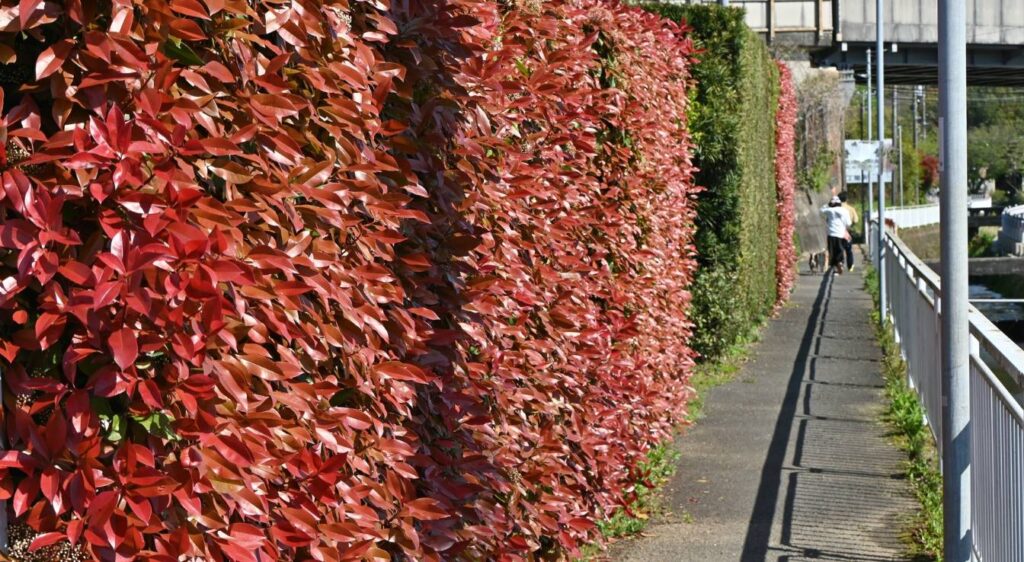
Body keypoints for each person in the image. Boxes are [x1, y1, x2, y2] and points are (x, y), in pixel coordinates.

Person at [821, 195, 852, 274]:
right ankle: (840, 263)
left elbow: (821, 210)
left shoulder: (829, 210)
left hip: (831, 233)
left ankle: (835, 266)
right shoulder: (844, 211)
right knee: (840, 250)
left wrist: (828, 204)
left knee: (832, 251)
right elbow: (849, 223)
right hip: (841, 234)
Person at [838, 192, 859, 271]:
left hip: (838, 231)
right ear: (846, 199)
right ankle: (850, 266)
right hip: (848, 231)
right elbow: (856, 220)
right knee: (848, 249)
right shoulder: (851, 209)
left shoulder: (835, 209)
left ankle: (840, 265)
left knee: (839, 249)